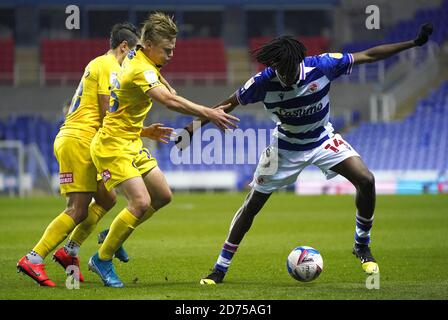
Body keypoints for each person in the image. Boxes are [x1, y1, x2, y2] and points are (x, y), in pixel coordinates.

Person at [175, 23, 433, 284]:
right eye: (278, 70)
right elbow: (225, 105)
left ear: (299, 61)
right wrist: (191, 128)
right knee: (252, 205)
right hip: (284, 148)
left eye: (287, 70)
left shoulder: (322, 65)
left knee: (366, 179)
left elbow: (369, 55)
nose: (283, 76)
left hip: (322, 139)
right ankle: (220, 269)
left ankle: (361, 245)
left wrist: (413, 43)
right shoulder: (263, 82)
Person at [87, 12, 239, 288]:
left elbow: (163, 85)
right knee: (141, 202)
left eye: (173, 49)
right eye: (167, 50)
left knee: (162, 195)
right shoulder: (140, 68)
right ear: (149, 45)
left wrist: (165, 91)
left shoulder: (138, 54)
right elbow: (168, 100)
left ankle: (115, 234)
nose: (171, 55)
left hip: (131, 140)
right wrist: (207, 112)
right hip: (112, 145)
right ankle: (102, 258)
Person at [16, 23, 173, 287]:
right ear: (125, 47)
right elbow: (107, 113)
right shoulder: (110, 66)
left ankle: (71, 250)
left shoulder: (100, 64)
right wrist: (143, 132)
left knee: (108, 198)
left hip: (86, 139)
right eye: (135, 50)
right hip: (79, 139)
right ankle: (34, 257)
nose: (137, 56)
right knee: (77, 209)